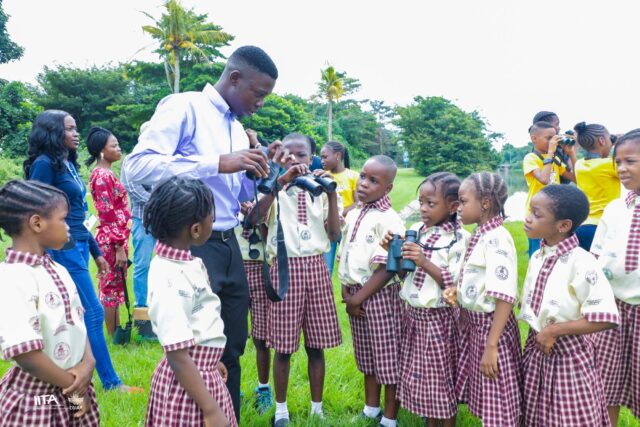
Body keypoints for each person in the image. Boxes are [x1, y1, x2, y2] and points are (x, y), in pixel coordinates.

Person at [122, 45, 281, 421]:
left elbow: (237, 195)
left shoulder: (239, 129)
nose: (260, 104)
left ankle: (227, 416)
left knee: (229, 347)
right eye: (258, 94)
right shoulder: (184, 107)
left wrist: (256, 174)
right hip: (192, 246)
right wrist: (218, 162)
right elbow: (137, 168)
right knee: (191, 347)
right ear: (235, 78)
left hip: (230, 245)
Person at [24, 110, 140, 393]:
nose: (77, 134)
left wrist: (95, 251)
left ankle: (66, 373)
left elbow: (77, 215)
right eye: (70, 129)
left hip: (77, 245)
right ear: (53, 132)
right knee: (92, 312)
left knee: (73, 314)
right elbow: (36, 211)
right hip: (61, 250)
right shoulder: (44, 164)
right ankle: (111, 382)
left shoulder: (68, 164)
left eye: (76, 128)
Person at [247, 133, 342, 426]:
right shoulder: (273, 187)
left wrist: (331, 194)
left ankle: (316, 408)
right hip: (284, 268)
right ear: (280, 157)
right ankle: (281, 410)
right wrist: (279, 183)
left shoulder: (319, 188)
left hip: (316, 267)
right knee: (283, 346)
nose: (295, 160)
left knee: (317, 345)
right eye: (288, 155)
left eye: (302, 156)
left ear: (312, 157)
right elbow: (253, 219)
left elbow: (335, 235)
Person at [0, 180, 100, 425]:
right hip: (36, 399)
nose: (69, 226)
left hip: (73, 385)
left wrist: (88, 363)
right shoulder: (12, 277)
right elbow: (27, 355)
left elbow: (76, 321)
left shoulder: (58, 269)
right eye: (63, 219)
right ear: (37, 223)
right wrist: (75, 387)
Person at [520, 184, 619, 426]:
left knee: (570, 417)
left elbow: (605, 317)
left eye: (537, 214)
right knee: (537, 413)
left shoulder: (581, 262)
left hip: (569, 356)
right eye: (530, 211)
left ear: (563, 225)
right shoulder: (537, 256)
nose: (528, 218)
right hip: (538, 348)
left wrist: (554, 330)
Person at [143, 177, 236, 427]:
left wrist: (210, 361)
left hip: (200, 375)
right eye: (212, 218)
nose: (213, 222)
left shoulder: (188, 262)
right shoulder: (169, 277)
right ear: (195, 230)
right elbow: (176, 352)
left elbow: (197, 322)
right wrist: (211, 410)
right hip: (187, 389)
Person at [384, 172, 469, 427]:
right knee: (422, 377)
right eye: (421, 202)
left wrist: (424, 260)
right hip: (413, 316)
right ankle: (429, 419)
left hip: (438, 320)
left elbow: (454, 288)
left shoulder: (458, 239)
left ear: (453, 207)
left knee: (439, 380)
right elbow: (403, 274)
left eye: (430, 204)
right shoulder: (419, 231)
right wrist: (394, 253)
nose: (422, 208)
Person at [443, 172, 522, 427]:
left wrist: (492, 346)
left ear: (485, 202)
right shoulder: (480, 234)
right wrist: (458, 290)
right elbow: (479, 277)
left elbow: (504, 296)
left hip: (491, 329)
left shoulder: (498, 239)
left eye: (463, 202)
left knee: (498, 398)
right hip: (476, 326)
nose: (458, 208)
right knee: (485, 393)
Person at [339, 155, 405, 427]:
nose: (363, 184)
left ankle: (389, 418)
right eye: (363, 176)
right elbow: (345, 253)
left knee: (387, 359)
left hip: (379, 297)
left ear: (387, 188)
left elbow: (388, 268)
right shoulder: (354, 213)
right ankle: (370, 408)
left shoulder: (389, 219)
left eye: (373, 181)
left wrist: (357, 297)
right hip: (356, 294)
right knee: (367, 357)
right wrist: (346, 290)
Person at [591, 129, 640, 425]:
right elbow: (596, 256)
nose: (621, 169)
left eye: (630, 161)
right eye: (618, 162)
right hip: (612, 310)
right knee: (604, 384)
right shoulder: (615, 209)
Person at [86, 126, 132, 337]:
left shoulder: (105, 173)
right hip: (112, 242)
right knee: (110, 289)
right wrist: (119, 246)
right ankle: (114, 335)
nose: (119, 148)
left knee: (114, 286)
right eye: (114, 145)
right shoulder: (103, 175)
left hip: (115, 239)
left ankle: (117, 332)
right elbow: (107, 214)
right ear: (102, 151)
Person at [120, 123, 157, 340]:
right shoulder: (132, 160)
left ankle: (160, 309)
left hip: (163, 221)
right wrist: (161, 202)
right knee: (143, 264)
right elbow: (133, 189)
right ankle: (142, 311)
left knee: (166, 264)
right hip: (142, 219)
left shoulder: (161, 158)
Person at [523, 121, 576, 257]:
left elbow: (576, 178)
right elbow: (544, 179)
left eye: (554, 138)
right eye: (548, 138)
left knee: (554, 254)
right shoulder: (531, 158)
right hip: (536, 216)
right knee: (537, 255)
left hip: (554, 215)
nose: (552, 142)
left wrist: (571, 153)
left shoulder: (554, 159)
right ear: (534, 138)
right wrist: (551, 153)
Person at [572, 121, 620, 251]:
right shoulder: (610, 165)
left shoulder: (579, 165)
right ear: (602, 140)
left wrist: (612, 142)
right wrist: (623, 144)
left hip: (582, 226)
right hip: (604, 226)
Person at [321, 141, 358, 275]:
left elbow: (358, 203)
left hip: (347, 228)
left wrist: (341, 213)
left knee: (349, 267)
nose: (322, 161)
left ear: (337, 155)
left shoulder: (353, 176)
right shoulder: (322, 176)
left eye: (325, 157)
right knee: (325, 270)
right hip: (328, 227)